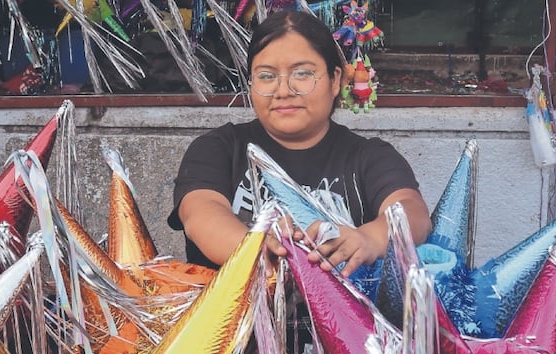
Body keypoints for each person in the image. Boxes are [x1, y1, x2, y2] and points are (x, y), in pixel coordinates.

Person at [168, 9, 432, 277]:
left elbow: (413, 212)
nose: (283, 91)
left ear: (335, 80)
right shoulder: (219, 148)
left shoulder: (370, 156)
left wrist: (370, 239)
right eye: (267, 76)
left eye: (303, 74)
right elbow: (200, 213)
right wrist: (257, 249)